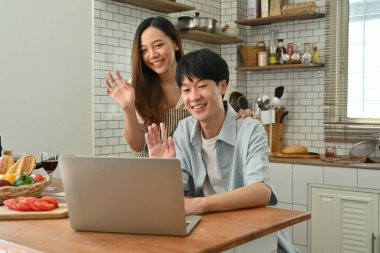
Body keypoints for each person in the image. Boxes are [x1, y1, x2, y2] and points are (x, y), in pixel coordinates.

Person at [144, 48, 299, 253]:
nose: (194, 97)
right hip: (207, 233)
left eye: (202, 86)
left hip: (255, 237)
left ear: (222, 86)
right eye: (187, 89)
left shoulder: (249, 128)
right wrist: (161, 171)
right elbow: (177, 198)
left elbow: (261, 191)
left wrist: (201, 204)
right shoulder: (183, 130)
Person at [104, 16, 253, 156]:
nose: (152, 54)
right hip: (151, 173)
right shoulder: (135, 87)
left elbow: (233, 109)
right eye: (144, 50)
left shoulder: (200, 78)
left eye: (158, 45)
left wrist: (244, 114)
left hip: (195, 177)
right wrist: (128, 108)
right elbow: (137, 146)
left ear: (175, 43)